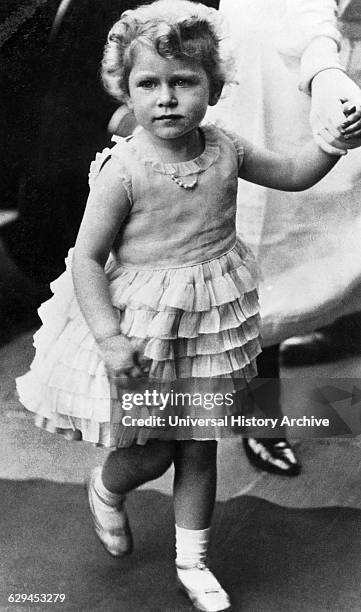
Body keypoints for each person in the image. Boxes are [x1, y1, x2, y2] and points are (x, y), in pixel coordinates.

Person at [15, 1, 360, 609]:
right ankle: (107, 484)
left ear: (215, 87)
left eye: (184, 82)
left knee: (199, 441)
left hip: (210, 320)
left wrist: (331, 142)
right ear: (125, 90)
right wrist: (110, 338)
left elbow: (294, 172)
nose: (167, 98)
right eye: (149, 84)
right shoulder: (123, 170)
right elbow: (86, 259)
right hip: (143, 330)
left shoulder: (226, 147)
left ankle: (193, 561)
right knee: (153, 449)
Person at [207, 0, 361, 476]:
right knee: (266, 264)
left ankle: (332, 335)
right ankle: (262, 417)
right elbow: (301, 12)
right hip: (278, 86)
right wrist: (324, 70)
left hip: (337, 63)